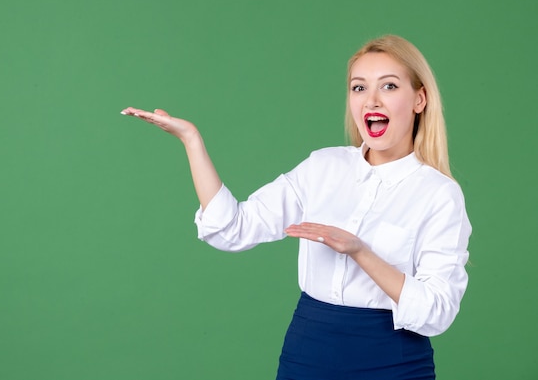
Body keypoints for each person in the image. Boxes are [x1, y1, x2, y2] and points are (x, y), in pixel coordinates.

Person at [121, 34, 471, 380]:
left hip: (392, 361)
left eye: (389, 86)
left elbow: (436, 311)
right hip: (308, 353)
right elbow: (232, 229)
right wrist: (192, 141)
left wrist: (360, 252)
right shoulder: (323, 167)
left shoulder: (439, 194)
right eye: (359, 88)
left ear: (419, 99)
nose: (371, 101)